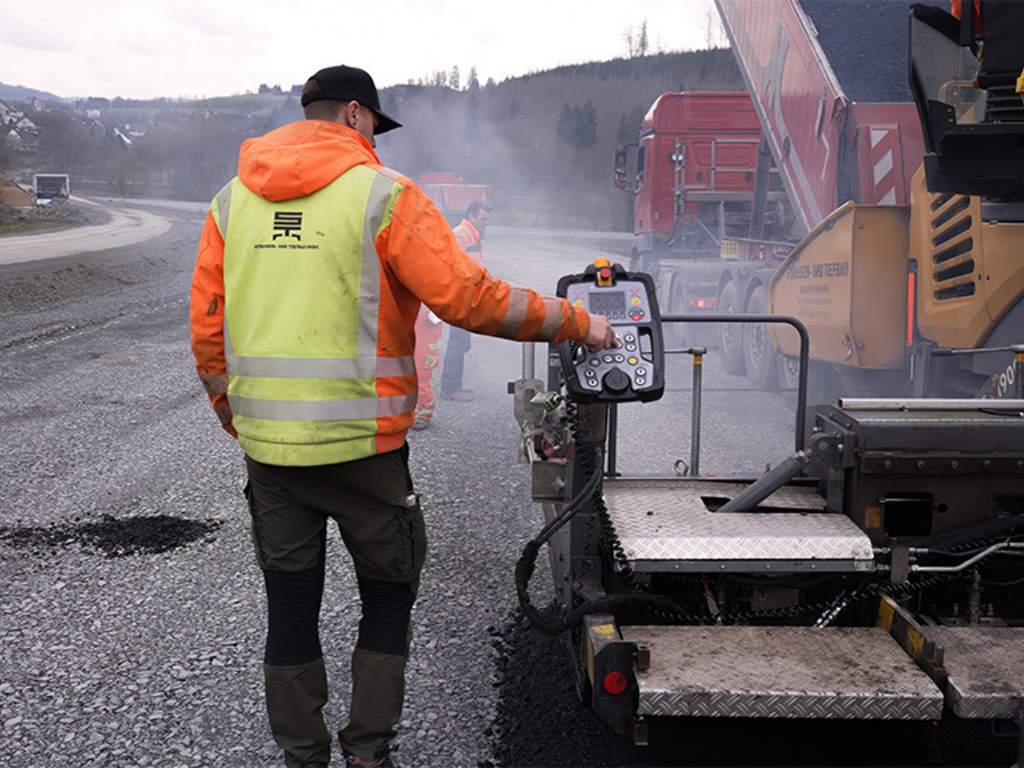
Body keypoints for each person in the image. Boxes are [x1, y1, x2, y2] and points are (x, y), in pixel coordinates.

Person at [188, 64, 615, 768]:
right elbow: (467, 298)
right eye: (374, 128)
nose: (376, 143)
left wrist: (238, 418)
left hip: (271, 455)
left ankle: (303, 755)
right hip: (367, 455)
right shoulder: (384, 196)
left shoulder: (230, 201)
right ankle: (366, 753)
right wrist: (574, 321)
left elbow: (208, 330)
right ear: (355, 114)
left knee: (290, 610)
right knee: (387, 598)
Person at [440, 201, 490, 402]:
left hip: (467, 296)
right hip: (461, 297)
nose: (485, 223)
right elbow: (456, 267)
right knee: (458, 342)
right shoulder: (461, 234)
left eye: (487, 219)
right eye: (482, 218)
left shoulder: (471, 234)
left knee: (462, 342)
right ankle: (451, 388)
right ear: (471, 215)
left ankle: (453, 385)